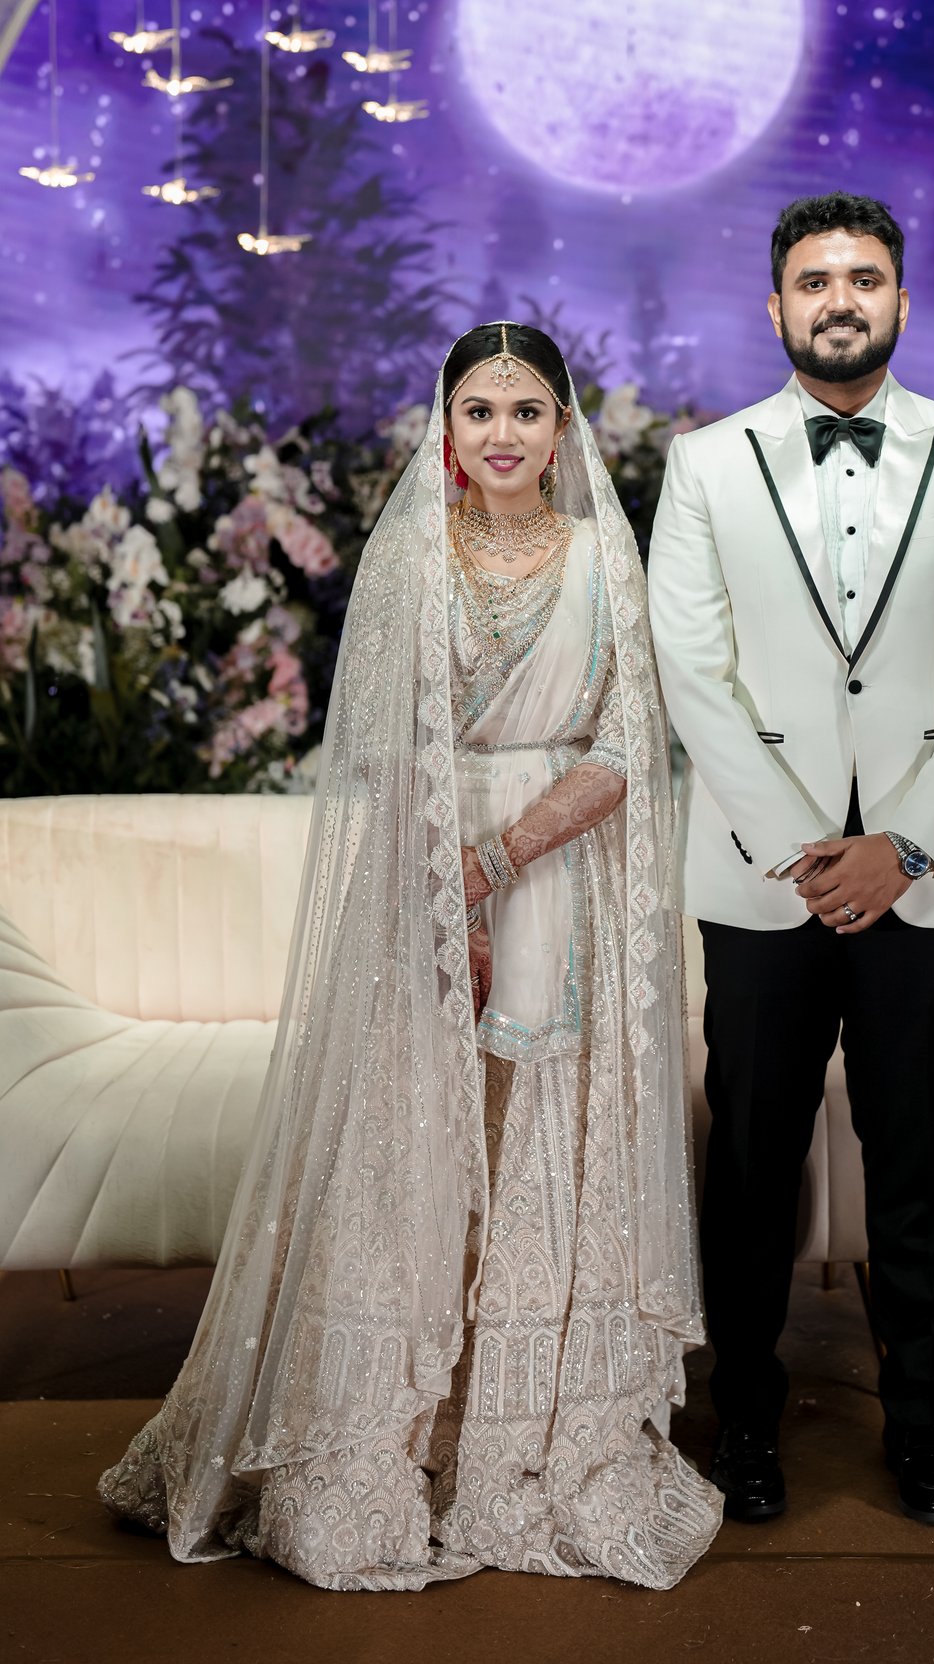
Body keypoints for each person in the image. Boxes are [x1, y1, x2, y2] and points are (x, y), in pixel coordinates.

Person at [99, 322, 722, 1591]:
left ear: (563, 430)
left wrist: (498, 862)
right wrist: (452, 896)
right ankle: (395, 1434)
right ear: (447, 427)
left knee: (537, 1138)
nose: (503, 433)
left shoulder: (604, 555)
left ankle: (521, 1438)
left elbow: (628, 742)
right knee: (415, 1140)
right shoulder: (410, 559)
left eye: (527, 410)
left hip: (562, 888)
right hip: (414, 884)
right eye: (478, 409)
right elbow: (385, 747)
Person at [647, 193, 934, 1529]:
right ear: (775, 307)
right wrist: (808, 855)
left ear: (901, 302)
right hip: (762, 879)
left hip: (929, 878)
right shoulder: (704, 465)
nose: (838, 299)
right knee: (750, 1164)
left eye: (863, 278)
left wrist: (903, 848)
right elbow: (692, 673)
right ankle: (744, 1423)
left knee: (912, 1159)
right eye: (813, 280)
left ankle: (921, 1425)